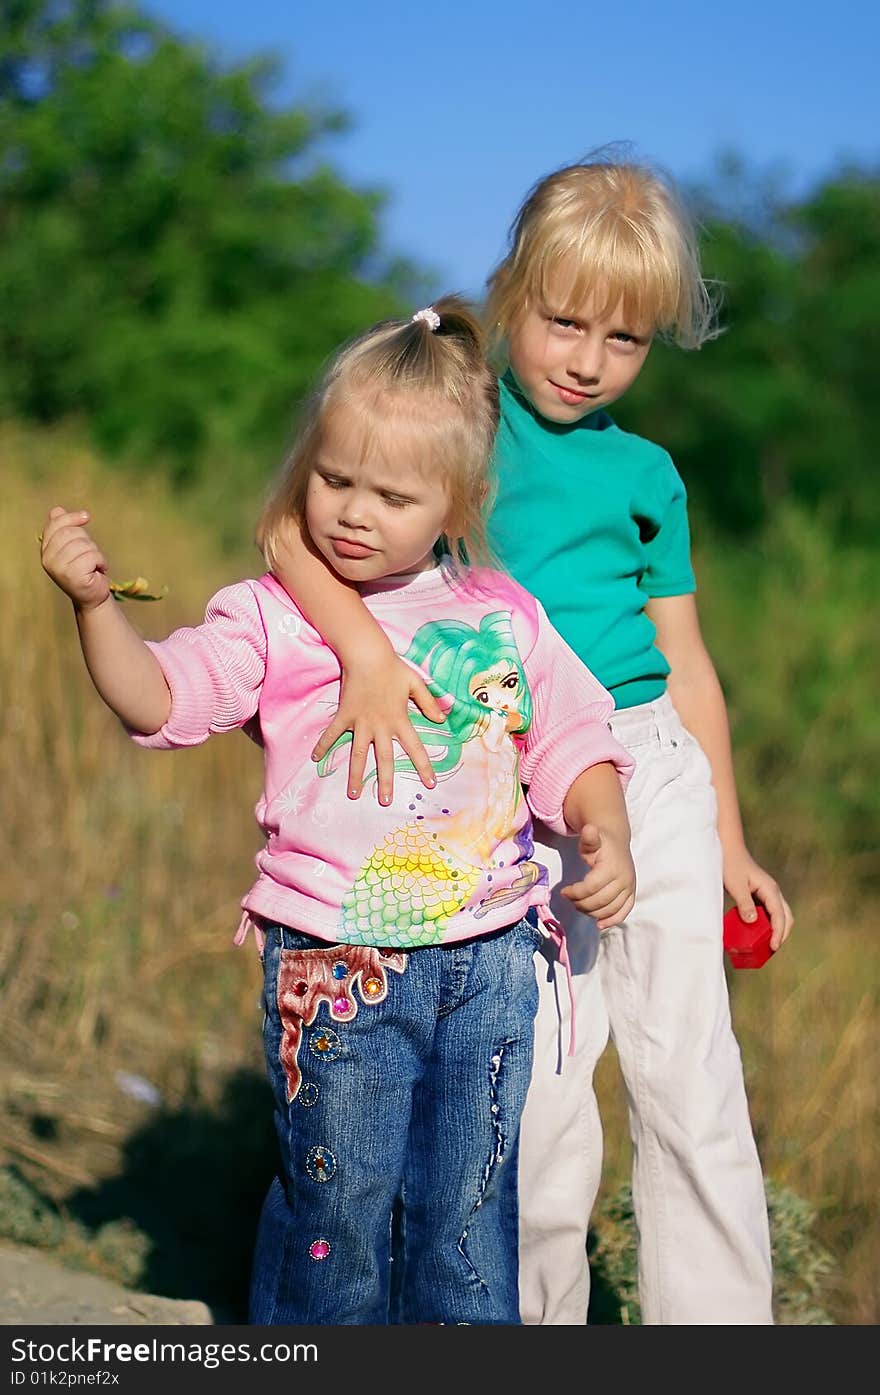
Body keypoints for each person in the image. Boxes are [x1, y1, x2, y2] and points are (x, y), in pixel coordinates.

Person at [264, 156, 795, 1325]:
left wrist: (730, 836)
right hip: (506, 786)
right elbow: (291, 538)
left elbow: (687, 662)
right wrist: (362, 654)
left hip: (651, 773)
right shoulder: (455, 417)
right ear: (510, 288)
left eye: (626, 338)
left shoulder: (648, 473)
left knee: (690, 1079)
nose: (589, 358)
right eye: (564, 321)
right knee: (536, 1093)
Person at [39, 297, 635, 1326]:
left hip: (491, 960)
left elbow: (568, 733)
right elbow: (162, 698)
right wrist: (96, 610)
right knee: (341, 1211)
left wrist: (601, 819)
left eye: (392, 495)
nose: (354, 512)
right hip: (338, 963)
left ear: (456, 503)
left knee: (464, 1214)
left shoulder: (495, 615)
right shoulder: (273, 619)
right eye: (334, 479)